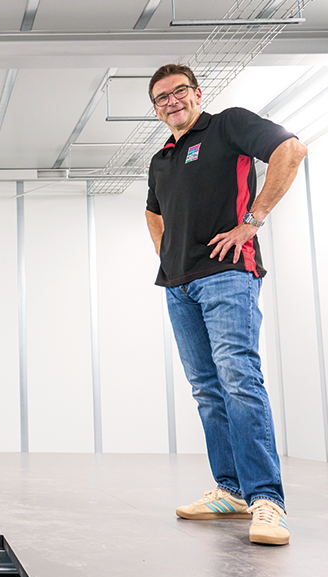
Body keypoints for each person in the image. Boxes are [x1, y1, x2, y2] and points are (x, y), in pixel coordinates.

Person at [145, 64, 307, 545]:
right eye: (161, 98)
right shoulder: (161, 158)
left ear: (197, 93)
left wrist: (250, 223)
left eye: (178, 92)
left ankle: (267, 501)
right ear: (156, 109)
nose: (171, 101)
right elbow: (153, 213)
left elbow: (291, 149)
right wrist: (169, 254)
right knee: (206, 389)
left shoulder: (228, 125)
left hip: (227, 276)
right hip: (179, 284)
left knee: (238, 378)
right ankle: (231, 490)